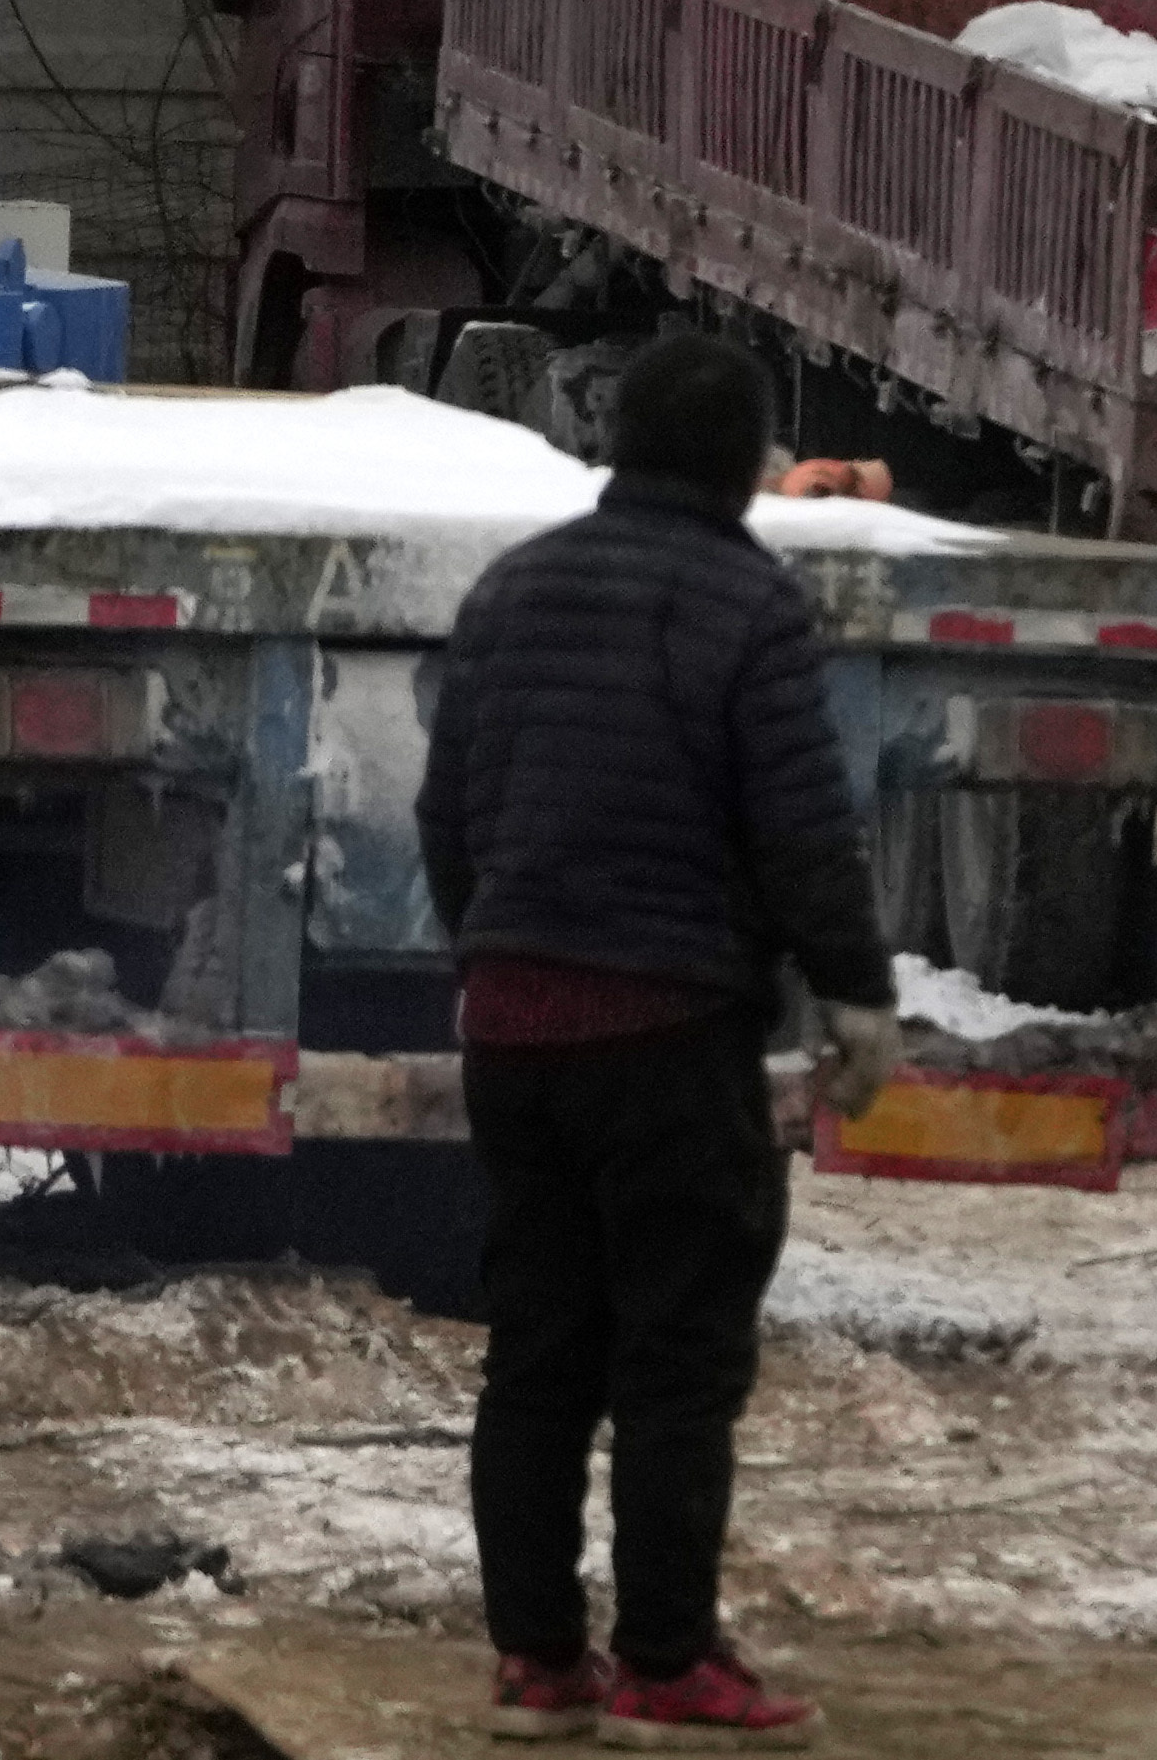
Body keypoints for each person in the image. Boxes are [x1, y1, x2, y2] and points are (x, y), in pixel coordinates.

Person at [417, 337, 901, 1747]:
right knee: (677, 1357)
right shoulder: (747, 604)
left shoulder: (513, 587)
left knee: (538, 1349)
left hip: (515, 1028)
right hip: (667, 1030)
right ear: (747, 459)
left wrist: (491, 949)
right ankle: (665, 1662)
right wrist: (854, 995)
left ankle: (534, 1663)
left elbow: (448, 809)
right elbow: (800, 828)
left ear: (617, 440)